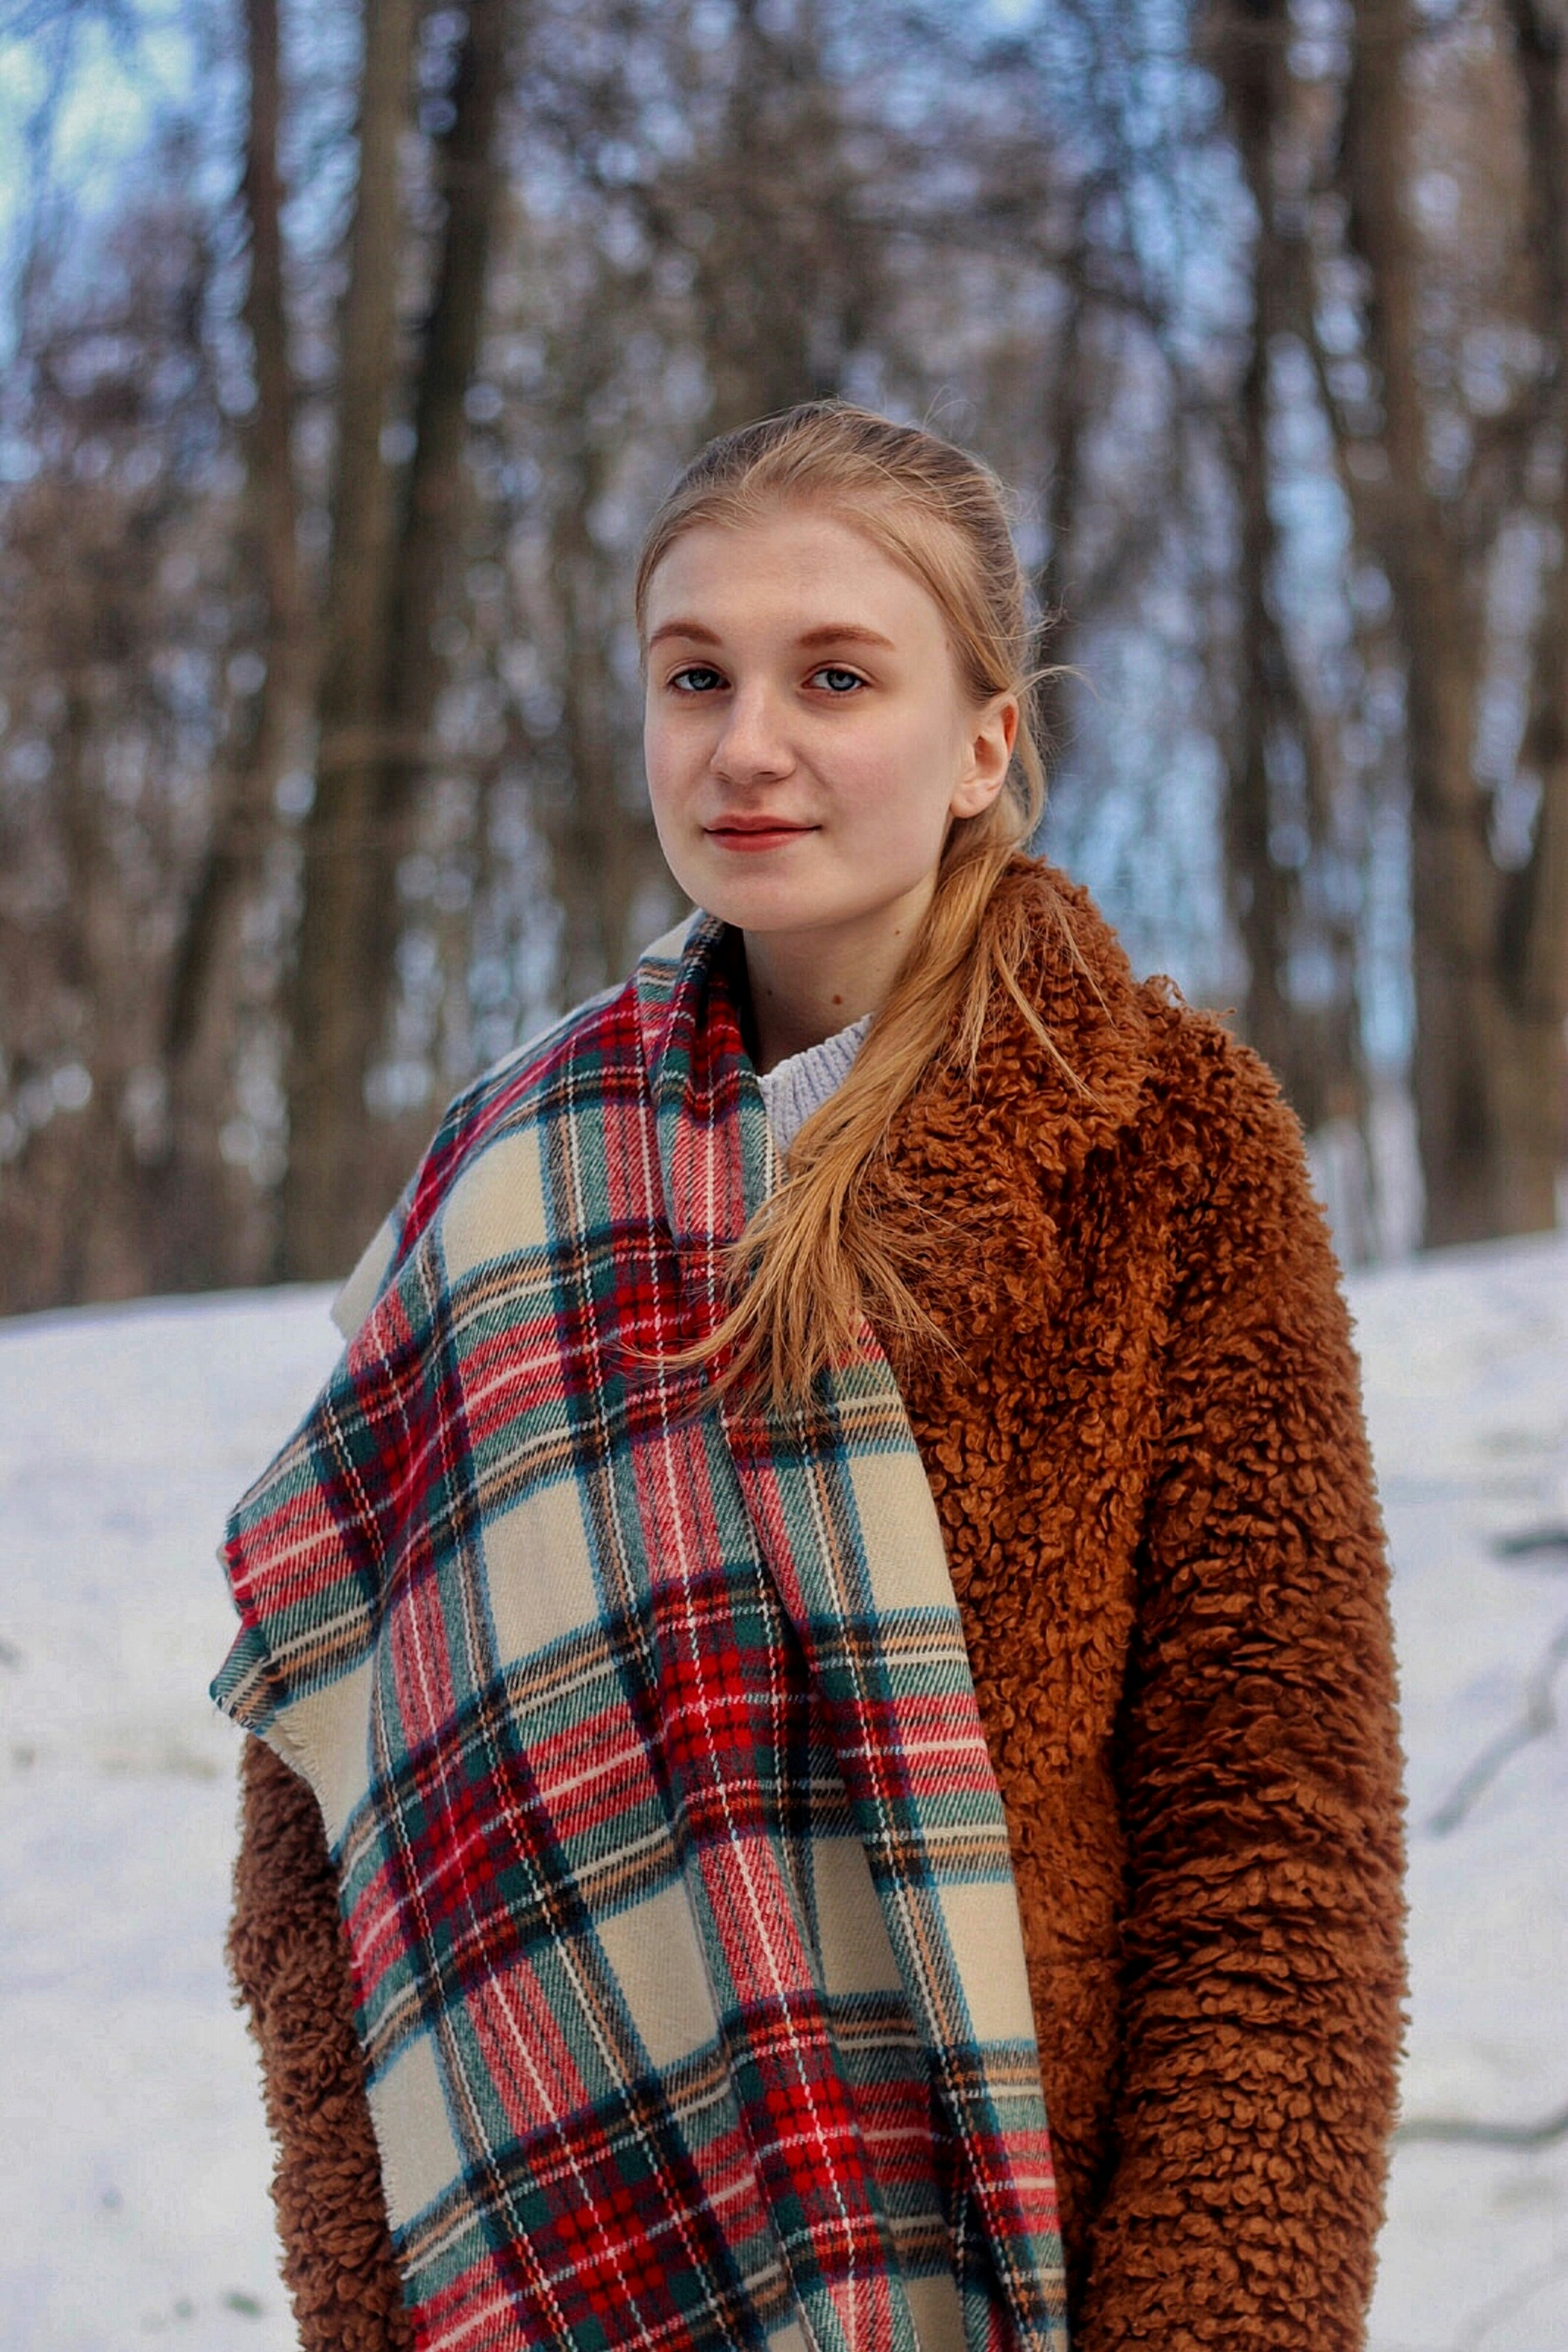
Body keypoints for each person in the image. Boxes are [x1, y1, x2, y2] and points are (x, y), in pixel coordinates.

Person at [214, 401, 1406, 2352]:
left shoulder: (1169, 1146)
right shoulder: (503, 1179)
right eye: (697, 677)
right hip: (565, 2254)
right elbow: (324, 1794)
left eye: (834, 675)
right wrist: (363, 2284)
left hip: (1039, 2256)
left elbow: (1278, 1834)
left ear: (982, 743)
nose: (747, 743)